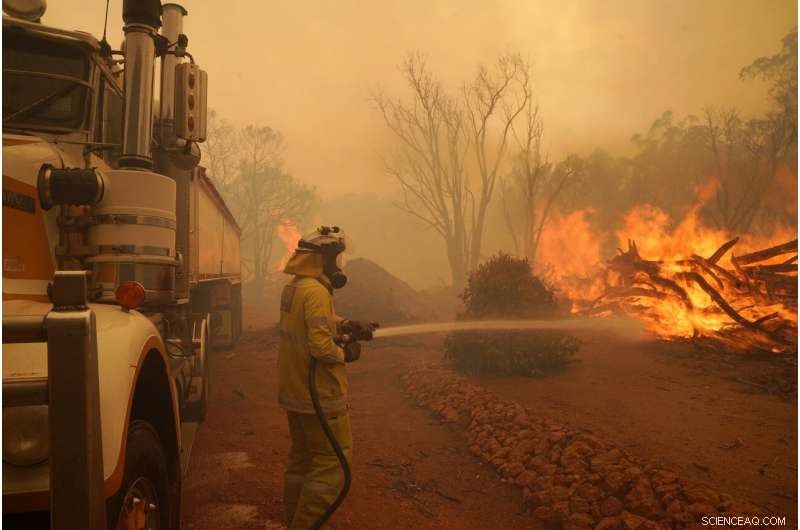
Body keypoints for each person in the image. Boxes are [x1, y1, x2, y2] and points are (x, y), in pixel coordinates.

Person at [277, 226, 373, 529]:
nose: (339, 266)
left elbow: (315, 324)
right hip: (320, 393)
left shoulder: (297, 287)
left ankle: (296, 521)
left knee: (303, 462)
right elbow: (320, 345)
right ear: (322, 260)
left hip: (297, 392)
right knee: (331, 466)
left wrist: (346, 324)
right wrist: (347, 354)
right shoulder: (317, 292)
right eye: (335, 259)